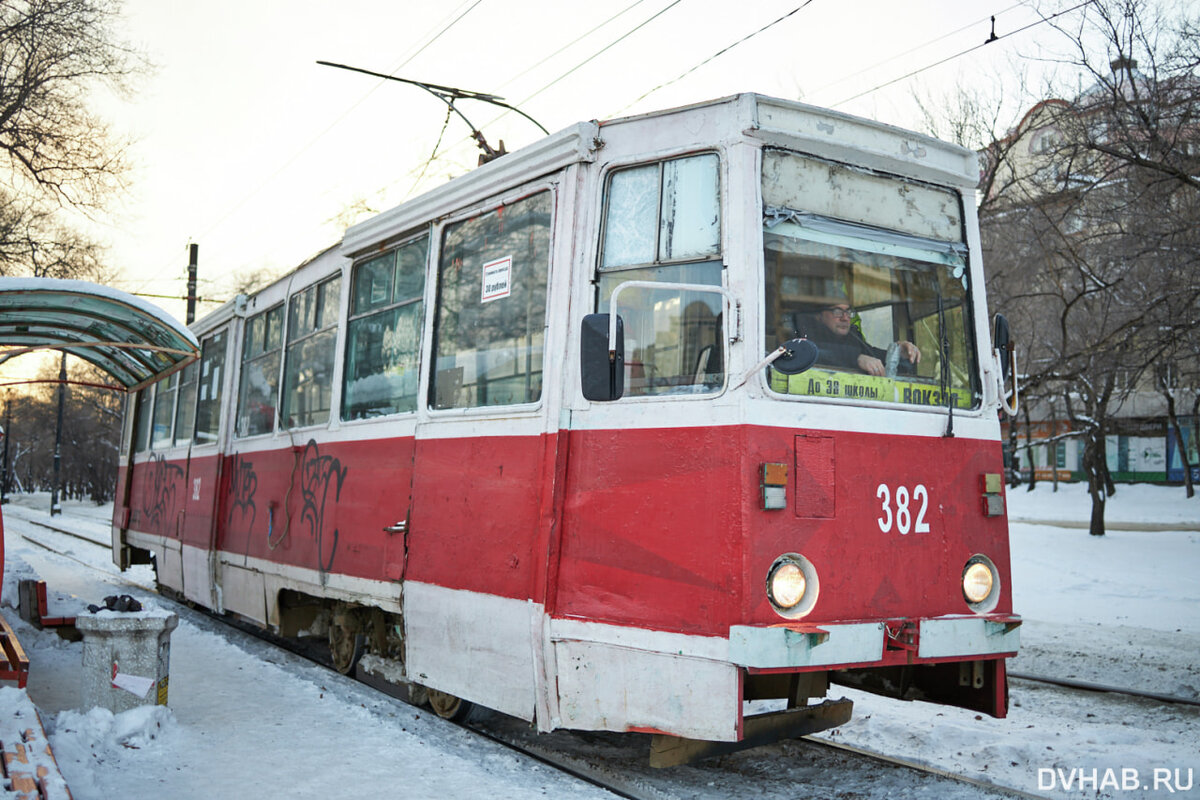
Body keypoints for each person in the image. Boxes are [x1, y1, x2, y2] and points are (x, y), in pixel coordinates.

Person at [797, 299, 921, 377]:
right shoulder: (806, 335)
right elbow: (814, 353)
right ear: (820, 315)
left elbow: (873, 356)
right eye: (837, 312)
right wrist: (856, 358)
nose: (845, 318)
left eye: (848, 312)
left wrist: (899, 353)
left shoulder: (853, 338)